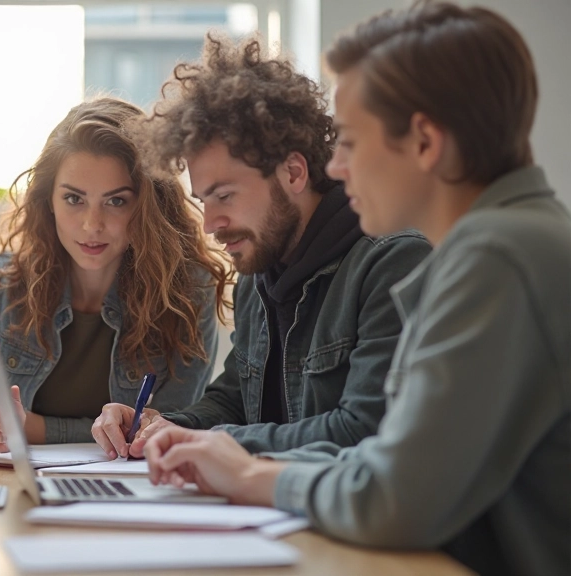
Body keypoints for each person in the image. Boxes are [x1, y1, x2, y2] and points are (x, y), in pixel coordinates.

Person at [144, 4, 570, 575]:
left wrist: (249, 473)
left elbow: (394, 496)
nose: (336, 167)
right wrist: (218, 450)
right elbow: (384, 455)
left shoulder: (495, 257)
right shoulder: (502, 243)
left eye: (348, 141)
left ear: (424, 142)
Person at [91, 34, 430, 459]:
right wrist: (163, 425)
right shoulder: (258, 273)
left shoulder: (392, 263)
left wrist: (208, 443)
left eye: (226, 195)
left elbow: (363, 431)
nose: (212, 225)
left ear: (292, 173)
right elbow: (233, 399)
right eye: (204, 201)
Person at [0, 97, 232, 456]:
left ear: (147, 206)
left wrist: (37, 429)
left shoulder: (187, 292)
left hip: (131, 494)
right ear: (47, 200)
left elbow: (170, 426)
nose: (92, 225)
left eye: (116, 201)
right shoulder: (2, 281)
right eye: (74, 199)